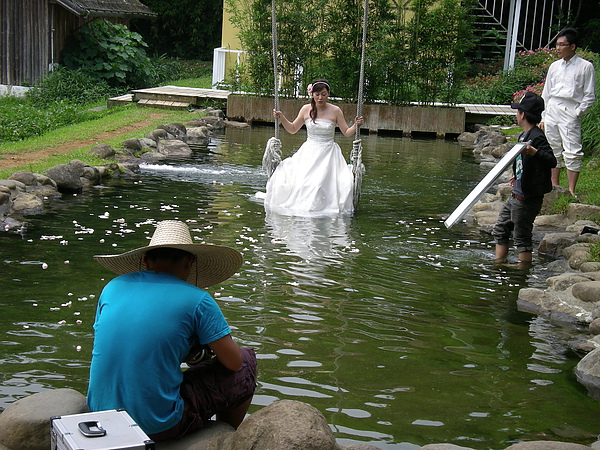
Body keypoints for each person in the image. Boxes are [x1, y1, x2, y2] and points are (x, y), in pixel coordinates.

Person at [87, 220, 257, 441]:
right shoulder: (198, 299)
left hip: (99, 414)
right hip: (156, 425)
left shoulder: (112, 287)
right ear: (189, 261)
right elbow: (233, 363)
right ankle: (224, 439)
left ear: (146, 261)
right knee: (247, 361)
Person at [265, 79, 364, 215]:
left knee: (326, 182)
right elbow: (293, 129)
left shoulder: (335, 111)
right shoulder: (306, 109)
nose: (320, 98)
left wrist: (355, 125)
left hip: (328, 152)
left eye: (323, 94)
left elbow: (347, 133)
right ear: (312, 94)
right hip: (309, 150)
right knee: (297, 181)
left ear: (328, 94)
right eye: (317, 94)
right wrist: (282, 118)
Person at [493, 92, 557, 266]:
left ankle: (522, 272)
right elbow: (523, 161)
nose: (516, 115)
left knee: (521, 237)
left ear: (522, 115)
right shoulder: (524, 135)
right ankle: (499, 264)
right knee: (500, 228)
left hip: (527, 198)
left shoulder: (537, 136)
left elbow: (551, 160)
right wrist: (517, 174)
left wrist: (534, 151)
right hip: (517, 193)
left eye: (517, 111)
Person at [541, 27, 596, 197]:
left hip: (570, 109)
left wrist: (578, 113)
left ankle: (571, 190)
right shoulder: (554, 66)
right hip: (552, 109)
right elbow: (546, 92)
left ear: (572, 46)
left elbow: (589, 95)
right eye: (557, 44)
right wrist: (543, 115)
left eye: (562, 45)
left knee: (572, 150)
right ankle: (554, 186)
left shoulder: (585, 67)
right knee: (552, 148)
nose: (558, 48)